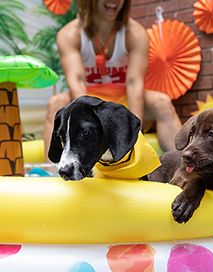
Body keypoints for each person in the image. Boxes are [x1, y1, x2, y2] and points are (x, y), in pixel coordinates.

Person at [44, 0, 181, 159]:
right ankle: (52, 171)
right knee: (55, 103)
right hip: (90, 99)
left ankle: (183, 165)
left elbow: (134, 82)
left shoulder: (135, 33)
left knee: (161, 102)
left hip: (124, 99)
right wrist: (87, 122)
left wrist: (135, 134)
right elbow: (77, 82)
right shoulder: (70, 34)